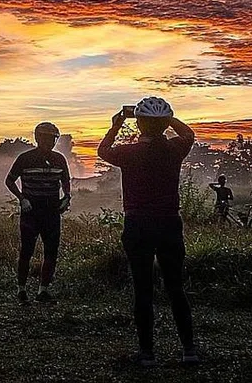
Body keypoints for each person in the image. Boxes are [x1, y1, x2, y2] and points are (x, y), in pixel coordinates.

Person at [97, 97, 199, 366]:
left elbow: (103, 150)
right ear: (165, 124)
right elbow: (188, 133)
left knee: (143, 290)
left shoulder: (128, 153)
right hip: (169, 223)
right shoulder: (175, 149)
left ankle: (147, 354)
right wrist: (170, 118)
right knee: (175, 288)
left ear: (139, 123)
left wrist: (117, 124)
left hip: (138, 224)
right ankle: (189, 351)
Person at [5, 122, 71, 304]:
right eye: (47, 138)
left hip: (52, 211)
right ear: (38, 138)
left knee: (51, 251)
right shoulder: (25, 158)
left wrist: (67, 197)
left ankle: (43, 291)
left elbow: (65, 180)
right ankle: (22, 290)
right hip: (31, 211)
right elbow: (9, 181)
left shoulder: (59, 159)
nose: (50, 142)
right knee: (27, 251)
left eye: (53, 139)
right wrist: (22, 198)